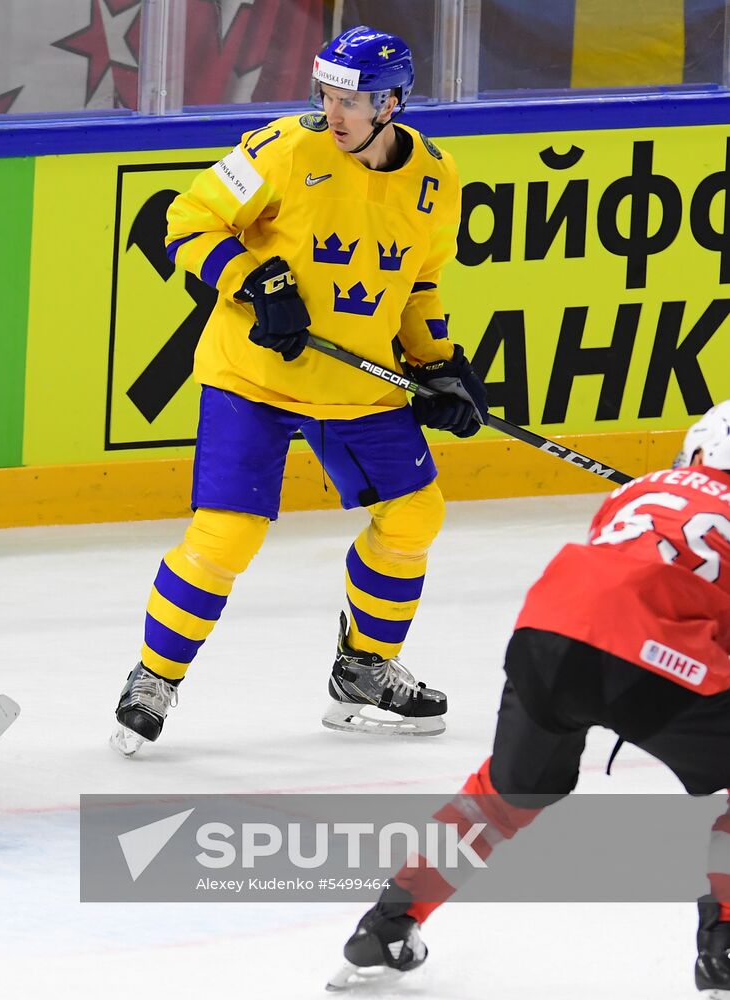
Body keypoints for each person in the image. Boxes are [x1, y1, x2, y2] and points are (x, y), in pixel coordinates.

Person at [112, 25, 485, 754]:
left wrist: (436, 364)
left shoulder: (437, 180)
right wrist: (254, 280)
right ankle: (153, 677)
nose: (334, 111)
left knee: (414, 516)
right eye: (326, 94)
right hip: (252, 376)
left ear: (393, 102)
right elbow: (185, 223)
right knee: (228, 533)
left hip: (354, 383)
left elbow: (419, 286)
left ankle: (364, 668)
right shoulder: (280, 148)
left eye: (352, 99)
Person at [333, 403, 730, 995]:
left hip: (548, 631)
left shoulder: (644, 489)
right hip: (652, 652)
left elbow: (627, 575)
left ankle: (388, 924)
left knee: (504, 794)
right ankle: (724, 946)